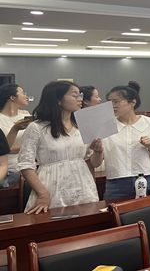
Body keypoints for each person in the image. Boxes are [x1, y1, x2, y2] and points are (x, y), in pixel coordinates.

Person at [18, 81, 101, 213]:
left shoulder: (82, 125)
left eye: (80, 95)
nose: (80, 99)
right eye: (74, 95)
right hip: (51, 186)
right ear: (58, 100)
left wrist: (98, 152)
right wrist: (43, 194)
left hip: (83, 186)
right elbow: (26, 164)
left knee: (87, 221)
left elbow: (93, 163)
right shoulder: (37, 127)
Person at [100, 83, 150, 201]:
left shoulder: (149, 123)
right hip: (116, 183)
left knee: (149, 211)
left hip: (145, 179)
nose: (112, 106)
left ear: (132, 102)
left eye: (116, 102)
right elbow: (97, 161)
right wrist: (97, 150)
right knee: (115, 212)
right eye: (109, 102)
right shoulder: (106, 126)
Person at [0, 83, 32, 187]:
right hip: (8, 170)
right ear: (12, 97)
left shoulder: (26, 115)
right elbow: (4, 149)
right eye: (23, 93)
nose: (26, 96)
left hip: (27, 166)